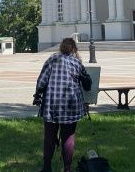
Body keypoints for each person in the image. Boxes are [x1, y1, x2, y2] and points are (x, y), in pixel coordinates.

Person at [34, 37, 91, 172]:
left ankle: (47, 168)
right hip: (71, 104)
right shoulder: (77, 62)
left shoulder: (52, 59)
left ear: (61, 47)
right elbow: (87, 85)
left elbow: (42, 81)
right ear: (74, 49)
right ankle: (67, 168)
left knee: (49, 137)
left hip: (52, 104)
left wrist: (37, 94)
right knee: (68, 137)